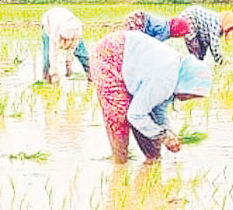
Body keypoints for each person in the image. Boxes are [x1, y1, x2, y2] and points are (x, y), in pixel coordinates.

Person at [90, 30, 212, 164]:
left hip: (129, 56)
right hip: (109, 54)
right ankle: (120, 165)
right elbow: (135, 115)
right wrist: (163, 136)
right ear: (186, 82)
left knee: (146, 120)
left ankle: (152, 161)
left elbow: (158, 109)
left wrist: (167, 130)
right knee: (119, 115)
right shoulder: (165, 81)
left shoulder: (175, 77)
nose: (188, 99)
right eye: (190, 95)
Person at [41, 7, 90, 84]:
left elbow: (73, 47)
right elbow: (53, 54)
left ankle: (92, 75)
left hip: (67, 20)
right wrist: (54, 74)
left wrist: (68, 64)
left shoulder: (77, 29)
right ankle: (47, 78)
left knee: (82, 53)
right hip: (49, 23)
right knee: (47, 56)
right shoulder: (54, 32)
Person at [122, 10, 190, 42]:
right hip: (141, 23)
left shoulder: (165, 22)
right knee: (131, 40)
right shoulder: (165, 32)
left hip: (140, 15)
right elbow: (154, 43)